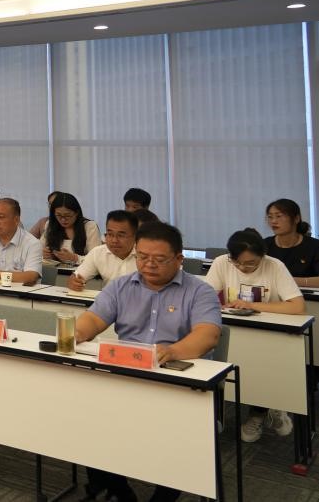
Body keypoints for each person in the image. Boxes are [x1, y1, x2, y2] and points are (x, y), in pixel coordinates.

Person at [74, 222, 220, 502]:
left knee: (176, 437)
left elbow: (208, 335)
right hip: (128, 374)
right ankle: (118, 491)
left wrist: (172, 351)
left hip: (177, 381)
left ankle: (163, 496)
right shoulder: (121, 286)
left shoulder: (200, 291)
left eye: (159, 259)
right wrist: (78, 333)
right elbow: (93, 318)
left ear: (179, 259)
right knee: (89, 419)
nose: (149, 264)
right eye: (142, 257)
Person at [205, 227, 305, 443]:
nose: (243, 267)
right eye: (237, 262)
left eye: (251, 263)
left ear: (263, 255)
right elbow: (205, 296)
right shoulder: (222, 262)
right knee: (232, 373)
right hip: (235, 331)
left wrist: (251, 305)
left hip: (269, 335)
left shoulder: (275, 266)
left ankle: (266, 409)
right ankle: (263, 408)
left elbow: (297, 306)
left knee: (262, 375)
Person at [68, 210, 139, 292]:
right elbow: (76, 277)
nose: (114, 240)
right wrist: (74, 282)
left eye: (121, 235)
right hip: (109, 299)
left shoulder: (145, 255)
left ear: (135, 236)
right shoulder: (98, 253)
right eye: (110, 234)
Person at [264, 199, 319, 287]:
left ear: (296, 219)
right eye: (270, 217)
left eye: (279, 216)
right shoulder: (264, 245)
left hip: (306, 294)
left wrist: (291, 281)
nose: (273, 221)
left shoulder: (314, 246)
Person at [40, 192, 102, 263]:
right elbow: (38, 249)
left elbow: (96, 258)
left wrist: (75, 258)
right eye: (58, 215)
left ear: (77, 213)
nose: (63, 220)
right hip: (55, 269)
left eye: (67, 215)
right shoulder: (50, 224)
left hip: (81, 269)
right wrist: (43, 253)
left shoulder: (89, 227)